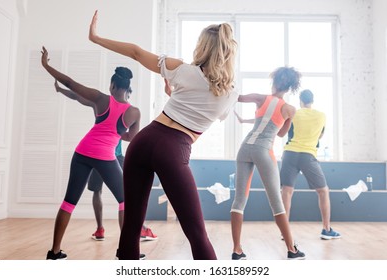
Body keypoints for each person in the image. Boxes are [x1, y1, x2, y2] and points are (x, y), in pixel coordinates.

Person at [89, 10, 238, 260]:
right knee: (196, 233)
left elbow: (136, 52)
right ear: (228, 53)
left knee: (132, 225)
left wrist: (96, 38)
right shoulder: (230, 94)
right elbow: (197, 117)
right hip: (174, 149)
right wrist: (176, 95)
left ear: (202, 47)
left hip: (144, 140)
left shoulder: (181, 70)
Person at [41, 47, 142, 260]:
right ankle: (126, 252)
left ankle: (54, 251)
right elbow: (132, 137)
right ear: (127, 88)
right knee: (125, 201)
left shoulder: (100, 99)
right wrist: (116, 132)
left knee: (69, 202)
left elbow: (72, 85)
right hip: (106, 157)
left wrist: (46, 66)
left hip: (82, 152)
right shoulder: (134, 112)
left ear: (113, 85)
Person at [53, 81, 157, 243]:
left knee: (124, 197)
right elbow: (78, 96)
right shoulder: (107, 104)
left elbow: (128, 136)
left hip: (111, 156)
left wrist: (115, 131)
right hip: (102, 155)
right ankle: (102, 229)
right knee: (106, 193)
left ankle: (137, 231)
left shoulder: (121, 110)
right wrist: (61, 90)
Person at [230, 66, 306, 260]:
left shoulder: (260, 97)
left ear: (275, 82)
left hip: (244, 148)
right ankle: (292, 249)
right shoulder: (290, 109)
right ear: (289, 87)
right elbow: (281, 134)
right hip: (264, 151)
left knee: (239, 200)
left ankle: (237, 250)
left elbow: (235, 97)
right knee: (277, 203)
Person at [280, 89, 341, 240]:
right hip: (308, 155)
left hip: (289, 154)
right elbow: (320, 134)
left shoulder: (294, 112)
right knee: (323, 191)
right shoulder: (321, 116)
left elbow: (287, 131)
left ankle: (284, 231)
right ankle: (326, 229)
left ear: (300, 101)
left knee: (286, 191)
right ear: (312, 101)